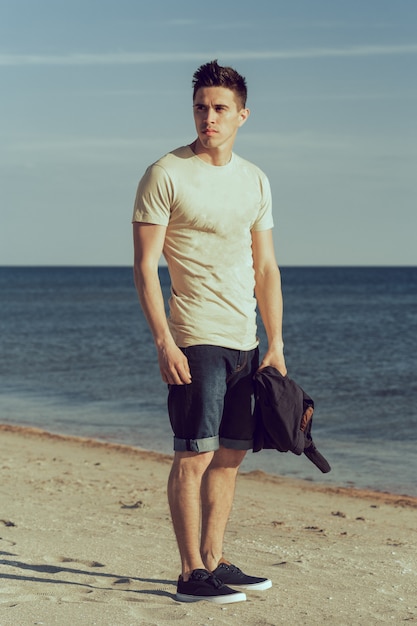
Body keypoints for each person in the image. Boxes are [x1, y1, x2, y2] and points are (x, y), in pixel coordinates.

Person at [132, 60, 287, 604]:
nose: (209, 117)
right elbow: (145, 266)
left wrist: (276, 344)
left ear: (242, 114)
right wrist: (163, 341)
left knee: (230, 455)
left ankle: (215, 560)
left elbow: (265, 268)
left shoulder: (255, 179)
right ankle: (189, 572)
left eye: (220, 108)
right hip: (195, 336)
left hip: (245, 340)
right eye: (201, 107)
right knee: (193, 454)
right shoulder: (165, 173)